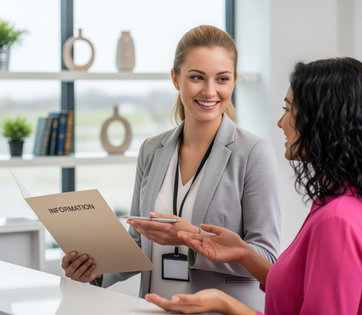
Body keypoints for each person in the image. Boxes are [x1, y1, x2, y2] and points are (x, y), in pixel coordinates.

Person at [62, 25, 281, 311]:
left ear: (234, 81)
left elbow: (268, 261)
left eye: (222, 79)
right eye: (197, 77)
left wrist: (188, 238)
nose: (210, 91)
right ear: (175, 79)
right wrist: (95, 270)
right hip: (154, 307)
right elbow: (140, 243)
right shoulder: (152, 149)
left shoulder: (253, 152)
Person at [145, 57, 362, 314]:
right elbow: (296, 290)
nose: (281, 123)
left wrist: (225, 303)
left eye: (288, 109)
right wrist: (243, 253)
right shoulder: (333, 203)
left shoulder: (336, 220)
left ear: (322, 120)